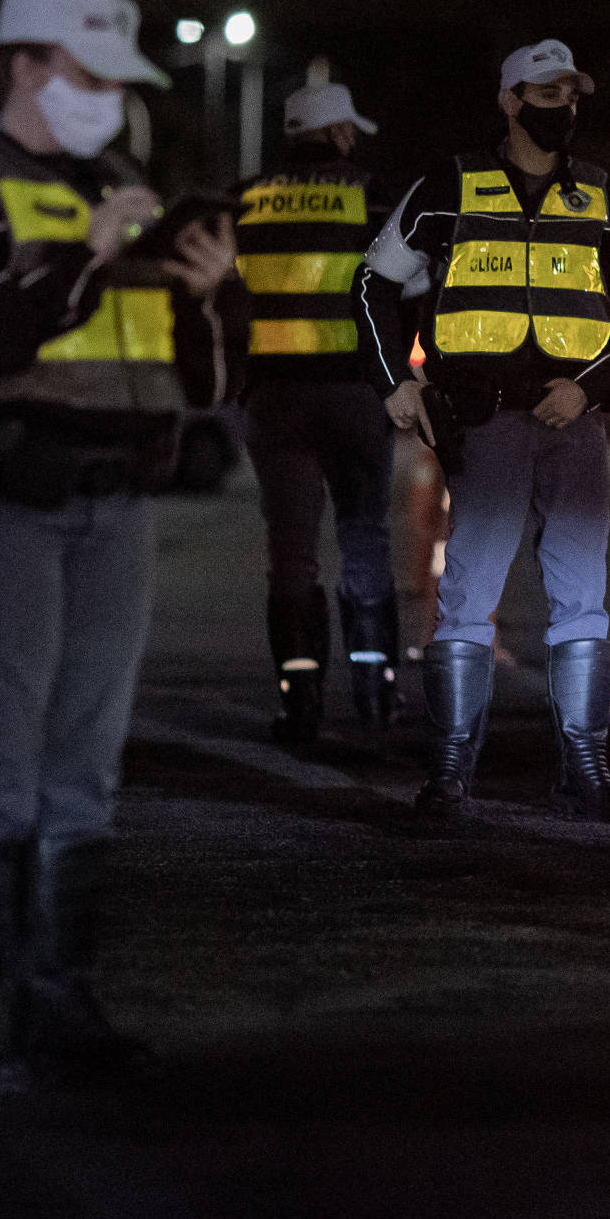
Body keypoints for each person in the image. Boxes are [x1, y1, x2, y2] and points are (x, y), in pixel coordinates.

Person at [0, 0, 248, 1097]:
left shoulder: (121, 186)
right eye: (91, 76)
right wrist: (84, 257)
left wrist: (199, 295)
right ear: (28, 64)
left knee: (83, 769)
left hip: (116, 502)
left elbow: (185, 381)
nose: (110, 103)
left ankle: (53, 998)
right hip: (4, 497)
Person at [353, 40, 610, 821]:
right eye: (549, 93)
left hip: (571, 422)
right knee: (466, 598)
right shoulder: (449, 186)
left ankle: (586, 771)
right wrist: (396, 384)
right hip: (481, 421)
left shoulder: (600, 194)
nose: (567, 108)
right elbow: (372, 283)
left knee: (583, 598)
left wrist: (587, 389)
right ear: (510, 101)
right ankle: (450, 775)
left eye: (573, 94)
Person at [234, 69, 405, 741]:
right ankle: (373, 693)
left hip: (274, 399)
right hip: (355, 395)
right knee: (365, 537)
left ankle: (299, 703)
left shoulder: (245, 199)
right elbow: (402, 288)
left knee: (291, 554)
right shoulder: (371, 196)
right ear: (337, 132)